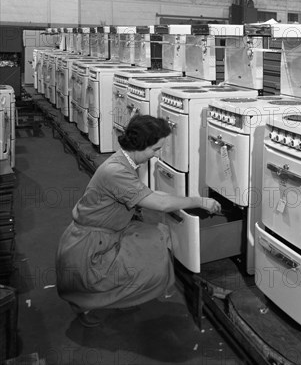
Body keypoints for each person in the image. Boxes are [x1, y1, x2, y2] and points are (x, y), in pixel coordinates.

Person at [55, 115, 221, 327]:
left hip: (105, 233)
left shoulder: (124, 162)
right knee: (110, 277)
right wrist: (200, 201)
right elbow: (159, 204)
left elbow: (151, 195)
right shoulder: (116, 172)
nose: (156, 154)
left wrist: (185, 201)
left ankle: (110, 296)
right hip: (90, 245)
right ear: (141, 146)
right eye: (155, 149)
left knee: (156, 235)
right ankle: (86, 305)